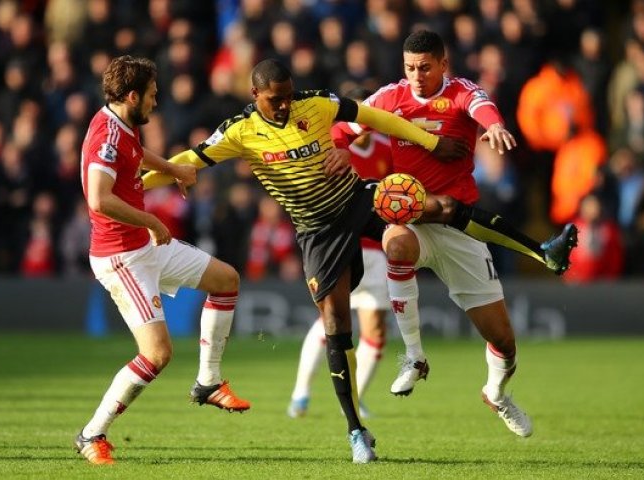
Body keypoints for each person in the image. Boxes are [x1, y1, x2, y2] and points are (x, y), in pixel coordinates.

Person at [142, 58, 468, 463]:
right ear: (255, 95)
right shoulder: (239, 131)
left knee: (441, 207)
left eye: (288, 96)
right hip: (317, 233)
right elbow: (186, 162)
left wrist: (432, 142)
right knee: (335, 325)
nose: (284, 105)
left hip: (354, 200)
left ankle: (535, 249)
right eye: (275, 100)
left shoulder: (315, 104)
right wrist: (129, 186)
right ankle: (356, 431)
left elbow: (377, 117)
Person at [332, 30, 579, 438]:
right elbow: (347, 124)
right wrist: (340, 145)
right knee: (395, 244)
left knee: (504, 342)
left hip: (459, 227)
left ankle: (496, 393)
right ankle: (414, 356)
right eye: (410, 67)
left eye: (425, 67)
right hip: (413, 219)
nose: (416, 76)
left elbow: (482, 107)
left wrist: (496, 126)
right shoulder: (391, 97)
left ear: (443, 65)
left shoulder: (462, 91)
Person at [74, 55, 250, 466]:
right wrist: (151, 218)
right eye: (152, 95)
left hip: (146, 246)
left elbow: (135, 156)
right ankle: (91, 434)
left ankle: (208, 382)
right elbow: (99, 198)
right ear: (132, 95)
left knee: (226, 279)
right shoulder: (107, 136)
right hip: (122, 256)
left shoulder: (123, 123)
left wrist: (172, 168)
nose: (156, 101)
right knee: (157, 354)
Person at [287, 87, 392, 420]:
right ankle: (301, 393)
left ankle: (354, 398)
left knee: (375, 331)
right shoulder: (327, 145)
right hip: (342, 243)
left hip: (378, 248)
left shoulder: (386, 150)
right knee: (332, 321)